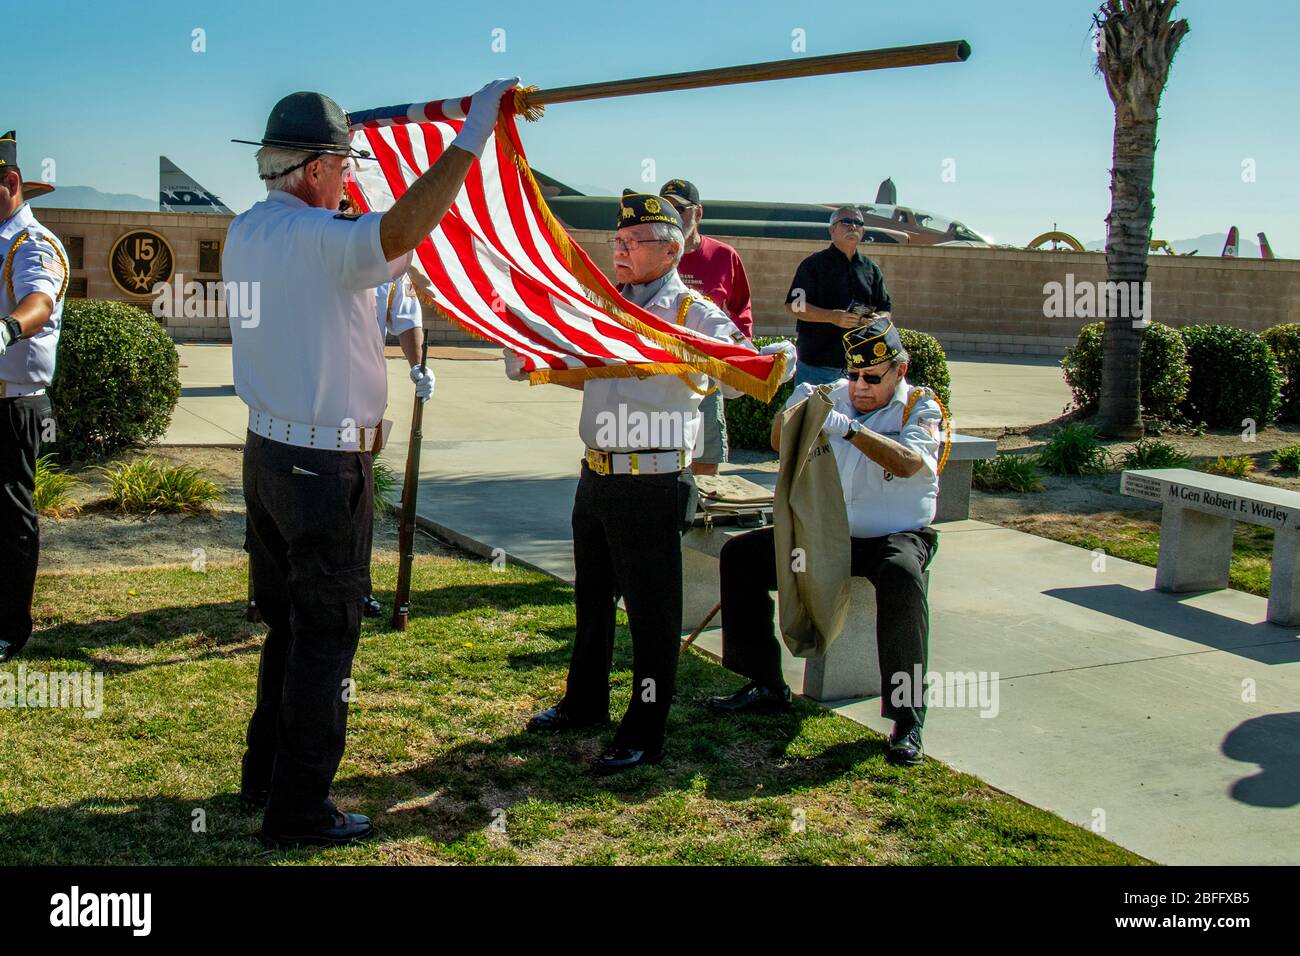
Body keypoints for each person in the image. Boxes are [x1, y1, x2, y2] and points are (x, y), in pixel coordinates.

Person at [225, 78, 517, 848]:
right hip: (322, 472)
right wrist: (471, 137)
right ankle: (299, 808)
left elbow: (374, 263)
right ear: (318, 168)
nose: (352, 177)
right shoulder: (323, 240)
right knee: (325, 636)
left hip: (268, 457)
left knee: (290, 628)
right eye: (346, 164)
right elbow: (405, 228)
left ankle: (267, 776)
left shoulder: (248, 230)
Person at [505, 190, 793, 773]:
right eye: (617, 241)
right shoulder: (607, 307)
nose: (619, 251)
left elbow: (738, 379)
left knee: (651, 614)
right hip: (597, 472)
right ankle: (583, 703)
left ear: (667, 251)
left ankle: (645, 728)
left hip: (650, 481)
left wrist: (728, 357)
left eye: (631, 243)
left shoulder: (693, 314)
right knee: (591, 599)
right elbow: (577, 370)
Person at [705, 318, 943, 767]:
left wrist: (851, 430)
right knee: (741, 556)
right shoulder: (832, 394)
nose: (860, 387)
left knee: (901, 577)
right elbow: (779, 440)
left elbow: (911, 463)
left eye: (873, 377)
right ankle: (765, 682)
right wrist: (792, 414)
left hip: (896, 533)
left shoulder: (920, 408)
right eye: (854, 375)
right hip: (827, 532)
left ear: (900, 369)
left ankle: (907, 718)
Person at [337, 194, 433, 618]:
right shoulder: (313, 248)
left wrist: (418, 368)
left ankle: (357, 586)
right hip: (309, 396)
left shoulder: (387, 260)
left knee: (358, 493)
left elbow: (408, 318)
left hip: (362, 398)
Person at [0, 130, 69, 664]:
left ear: (11, 182)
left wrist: (6, 330)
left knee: (10, 513)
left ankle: (9, 626)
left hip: (13, 403)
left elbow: (39, 301)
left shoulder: (32, 244)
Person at [659, 178, 754, 478]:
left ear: (698, 214)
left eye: (681, 210)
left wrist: (739, 355)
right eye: (667, 210)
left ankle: (700, 517)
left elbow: (742, 309)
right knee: (659, 458)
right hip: (658, 377)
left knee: (704, 459)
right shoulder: (650, 253)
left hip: (705, 379)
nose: (673, 218)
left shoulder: (724, 256)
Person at [784, 205, 892, 390]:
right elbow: (794, 305)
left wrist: (876, 320)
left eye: (858, 223)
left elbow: (885, 308)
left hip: (860, 368)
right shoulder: (813, 265)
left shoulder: (870, 269)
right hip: (818, 365)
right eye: (846, 222)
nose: (853, 227)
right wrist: (832, 317)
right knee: (813, 419)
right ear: (832, 229)